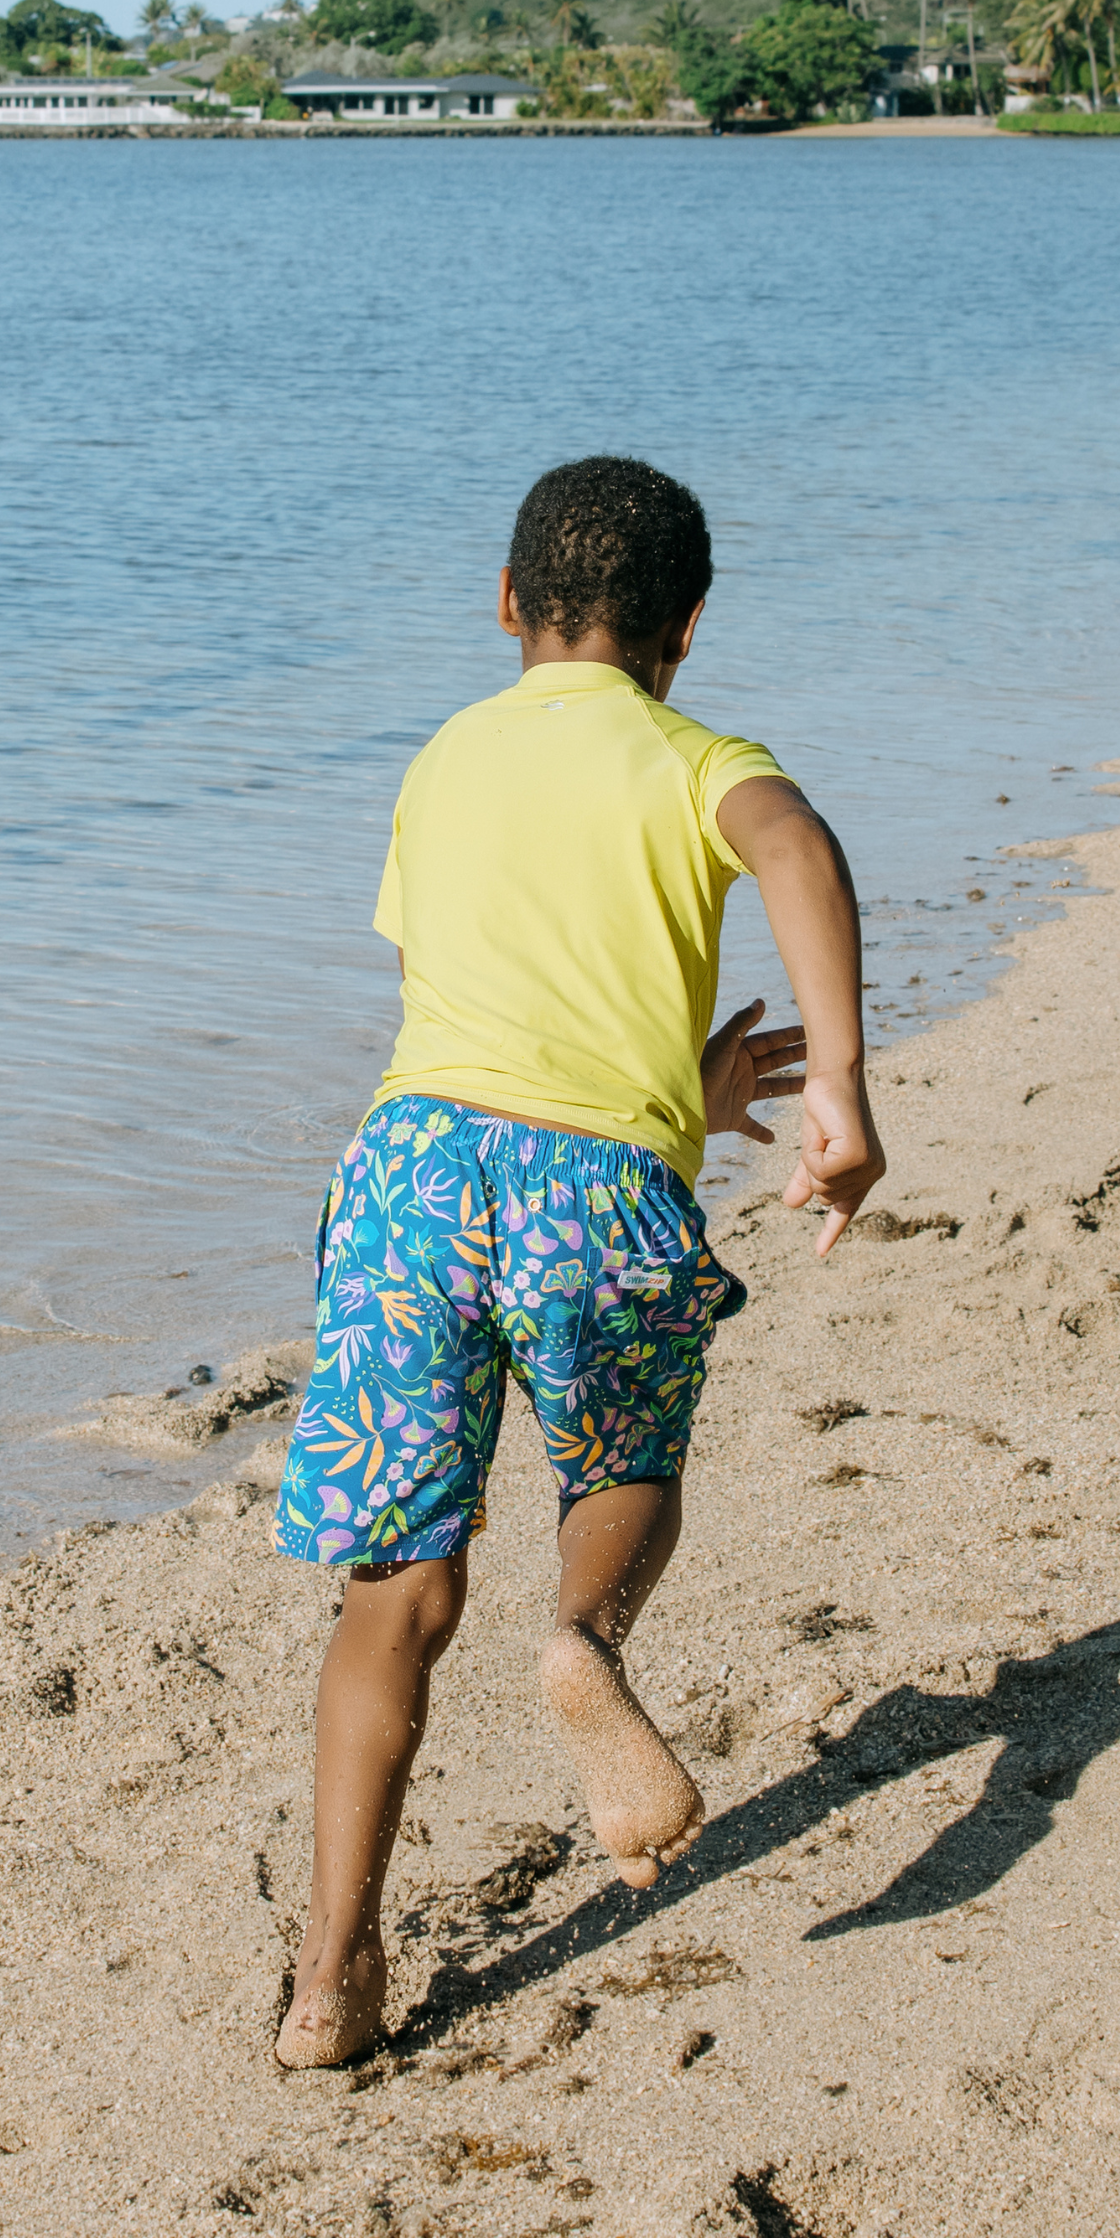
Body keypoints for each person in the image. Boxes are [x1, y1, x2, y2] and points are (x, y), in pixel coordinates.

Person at [272, 456, 886, 2068]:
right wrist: (832, 1079)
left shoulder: (443, 757)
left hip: (411, 1173)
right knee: (627, 1462)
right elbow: (799, 852)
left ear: (503, 606)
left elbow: (490, 1026)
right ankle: (583, 1640)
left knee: (396, 1585)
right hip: (597, 1185)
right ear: (686, 625)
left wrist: (688, 1082)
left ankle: (332, 1978)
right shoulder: (698, 756)